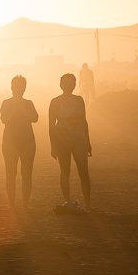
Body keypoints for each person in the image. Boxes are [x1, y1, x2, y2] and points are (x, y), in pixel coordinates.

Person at [48, 73, 92, 210]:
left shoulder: (79, 100)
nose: (69, 85)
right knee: (65, 171)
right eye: (66, 83)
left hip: (79, 138)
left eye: (72, 83)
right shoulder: (55, 101)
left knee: (83, 171)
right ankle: (67, 201)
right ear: (61, 85)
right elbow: (51, 125)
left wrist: (88, 141)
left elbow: (84, 121)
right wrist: (53, 145)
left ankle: (88, 203)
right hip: (62, 139)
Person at [0, 75, 39, 207]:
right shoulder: (6, 103)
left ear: (25, 88)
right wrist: (16, 107)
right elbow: (5, 120)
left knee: (27, 174)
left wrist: (20, 107)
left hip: (28, 141)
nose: (19, 89)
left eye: (22, 86)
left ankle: (25, 203)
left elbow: (35, 118)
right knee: (10, 174)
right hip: (10, 142)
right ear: (11, 87)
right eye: (17, 86)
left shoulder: (28, 103)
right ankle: (11, 203)